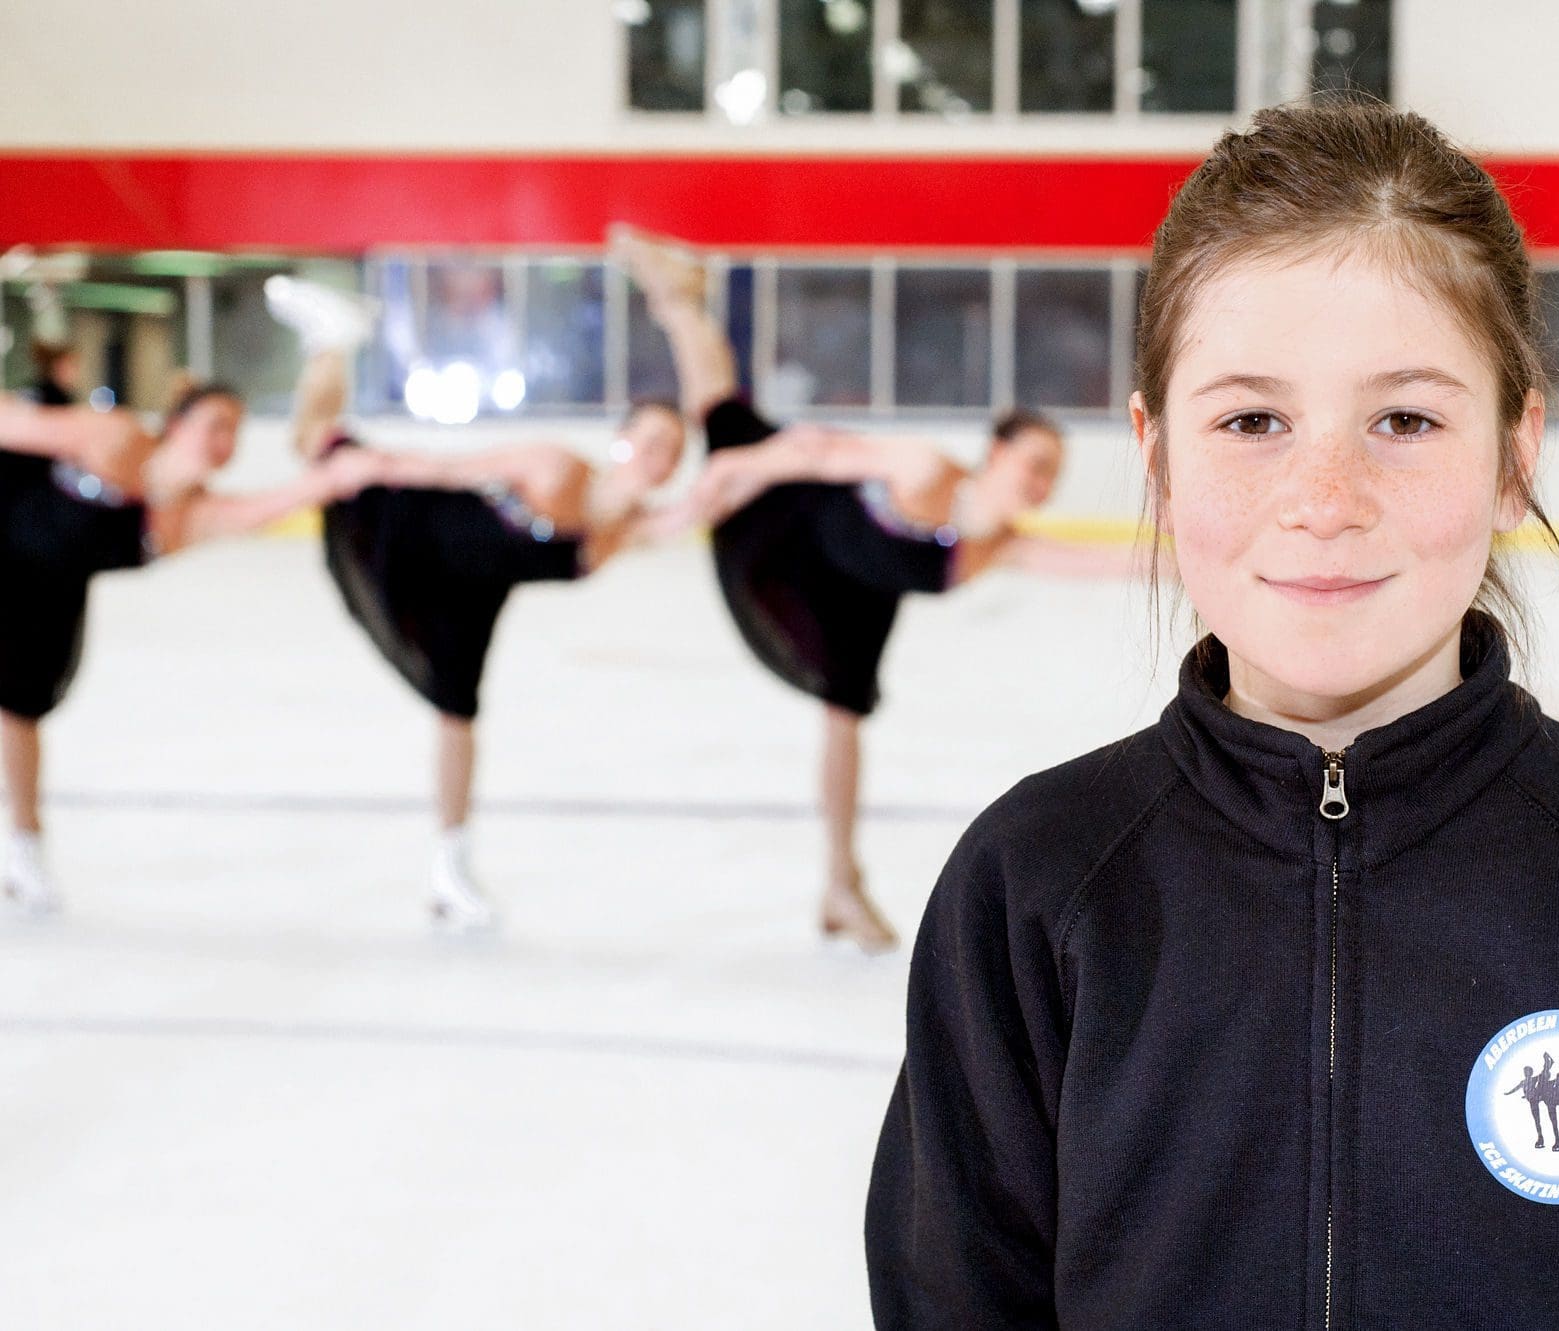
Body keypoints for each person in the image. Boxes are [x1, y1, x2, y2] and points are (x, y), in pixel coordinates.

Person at [865, 99, 1559, 1328]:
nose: (1323, 498)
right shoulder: (1036, 882)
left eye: (1403, 419)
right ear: (1156, 456)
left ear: (1513, 455)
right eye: (1250, 421)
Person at [613, 226, 1078, 953]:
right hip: (795, 528)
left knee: (843, 713)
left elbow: (1103, 562)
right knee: (722, 416)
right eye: (1035, 462)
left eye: (1053, 472)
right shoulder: (927, 471)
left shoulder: (997, 547)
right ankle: (679, 302)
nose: (1043, 482)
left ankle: (840, 882)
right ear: (996, 452)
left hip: (856, 603)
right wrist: (732, 476)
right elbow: (817, 448)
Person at [266, 278, 688, 933]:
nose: (660, 456)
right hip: (412, 531)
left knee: (457, 715)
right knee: (315, 440)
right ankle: (333, 343)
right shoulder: (555, 466)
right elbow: (452, 469)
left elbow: (708, 504)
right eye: (652, 439)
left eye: (674, 450)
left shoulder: (622, 533)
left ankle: (450, 869)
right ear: (621, 438)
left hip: (469, 602)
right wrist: (374, 466)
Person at [0, 385, 370, 914]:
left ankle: (24, 852)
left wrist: (343, 468)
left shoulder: (192, 516)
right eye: (215, 423)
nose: (226, 440)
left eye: (235, 431)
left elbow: (276, 503)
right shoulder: (115, 438)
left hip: (43, 599)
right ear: (176, 424)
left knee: (21, 711)